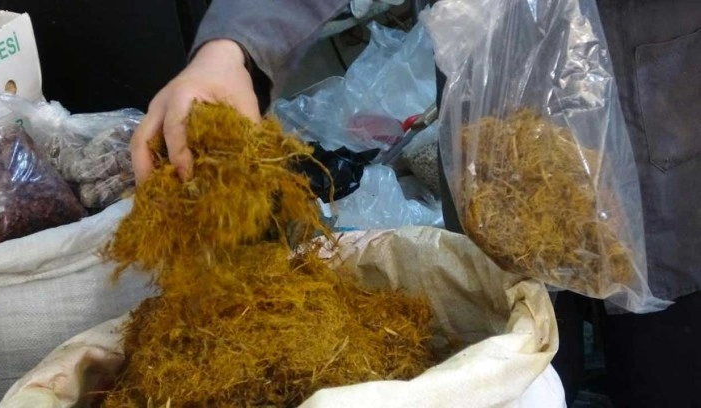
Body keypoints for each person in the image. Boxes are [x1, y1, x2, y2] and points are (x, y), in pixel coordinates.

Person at [131, 1, 701, 407]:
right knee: (523, 365)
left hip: (665, 132)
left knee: (665, 367)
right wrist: (231, 49)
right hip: (496, 152)